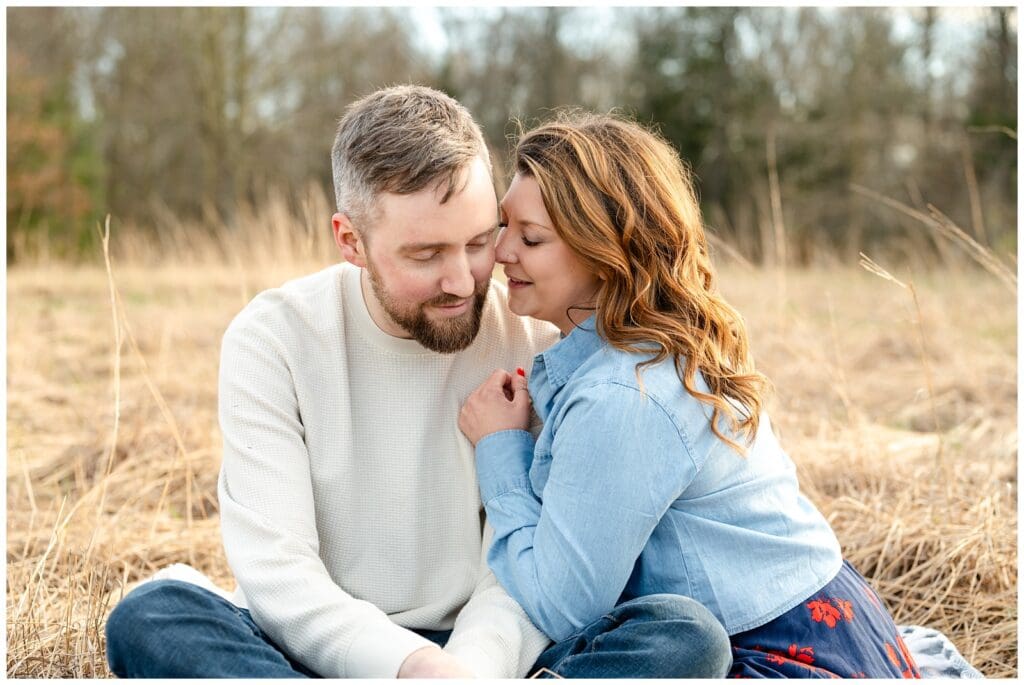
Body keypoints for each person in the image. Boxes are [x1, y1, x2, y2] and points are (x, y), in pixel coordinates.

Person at [103, 86, 731, 679]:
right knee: (152, 617)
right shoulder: (274, 339)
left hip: (486, 653)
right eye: (426, 256)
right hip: (316, 649)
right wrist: (410, 668)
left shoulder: (535, 335)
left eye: (481, 242)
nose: (463, 280)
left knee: (685, 634)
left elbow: (522, 567)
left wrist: (464, 672)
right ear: (351, 241)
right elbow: (278, 573)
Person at [459, 111, 922, 679]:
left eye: (530, 237)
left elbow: (562, 607)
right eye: (504, 226)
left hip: (768, 646)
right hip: (822, 612)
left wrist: (502, 448)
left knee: (677, 644)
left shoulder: (624, 394)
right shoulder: (658, 345)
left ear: (607, 255)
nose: (501, 252)